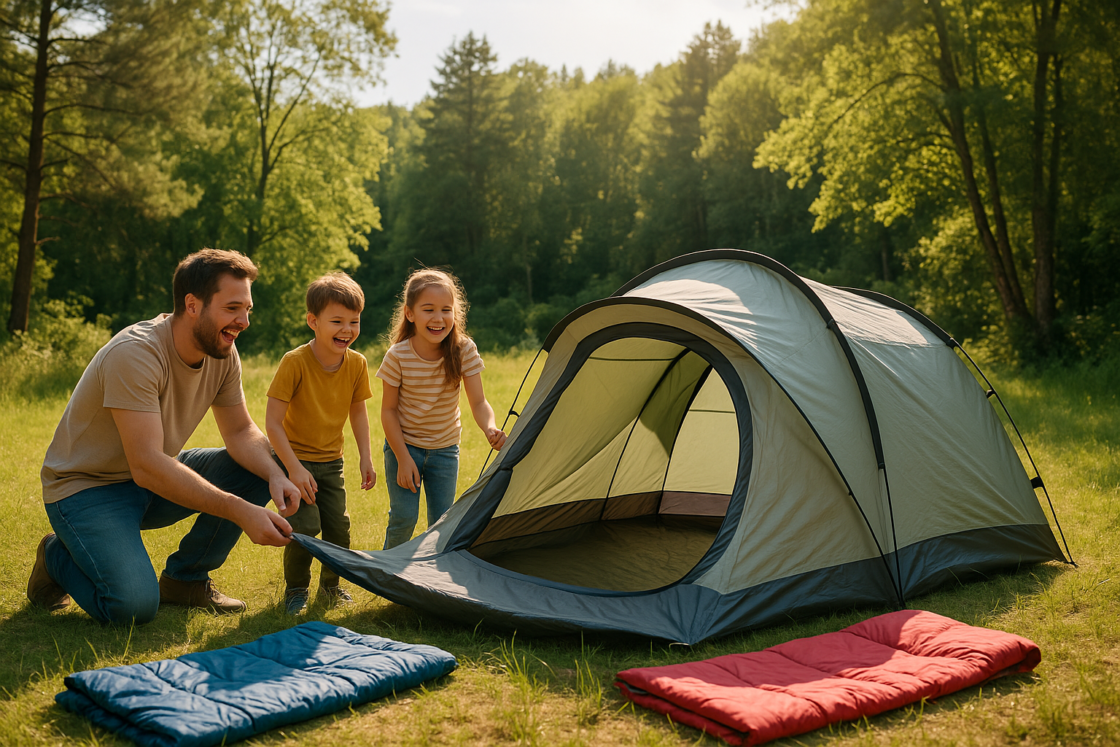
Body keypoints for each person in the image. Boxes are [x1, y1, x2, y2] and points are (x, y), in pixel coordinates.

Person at [27, 249, 300, 625]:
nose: (244, 321)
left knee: (262, 463)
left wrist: (275, 475)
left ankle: (185, 580)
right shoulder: (135, 353)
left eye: (248, 309)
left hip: (151, 477)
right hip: (87, 489)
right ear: (192, 304)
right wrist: (239, 509)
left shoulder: (223, 351)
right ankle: (57, 555)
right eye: (233, 308)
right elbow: (147, 465)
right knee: (132, 606)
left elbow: (239, 430)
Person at [266, 272, 376, 616]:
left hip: (333, 462)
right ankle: (296, 590)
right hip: (294, 460)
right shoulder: (295, 362)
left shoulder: (357, 364)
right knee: (305, 526)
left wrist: (366, 458)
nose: (347, 329)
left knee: (339, 529)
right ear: (313, 321)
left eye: (354, 321)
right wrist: (294, 469)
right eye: (337, 321)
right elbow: (271, 423)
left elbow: (358, 413)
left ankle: (331, 587)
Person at [378, 268, 507, 549]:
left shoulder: (464, 350)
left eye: (446, 310)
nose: (438, 318)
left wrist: (490, 428)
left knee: (441, 523)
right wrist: (402, 457)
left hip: (445, 450)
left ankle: (429, 581)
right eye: (429, 310)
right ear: (410, 314)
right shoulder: (398, 355)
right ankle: (386, 574)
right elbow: (387, 411)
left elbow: (478, 402)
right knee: (403, 517)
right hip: (405, 446)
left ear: (455, 314)